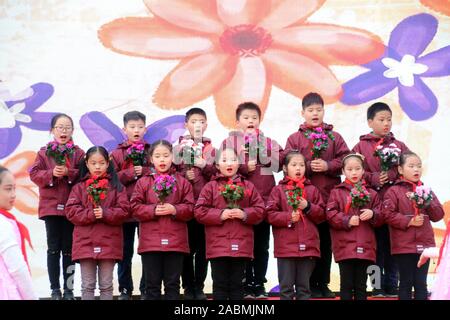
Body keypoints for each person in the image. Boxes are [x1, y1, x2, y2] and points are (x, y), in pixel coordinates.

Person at [284, 92, 350, 298]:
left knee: (326, 242)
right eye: (310, 110)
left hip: (330, 198)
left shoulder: (335, 137)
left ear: (324, 111)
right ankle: (308, 285)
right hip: (305, 199)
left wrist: (328, 165)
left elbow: (347, 161)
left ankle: (323, 283)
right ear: (302, 113)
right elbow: (287, 162)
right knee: (308, 241)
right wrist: (308, 166)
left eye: (318, 110)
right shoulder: (295, 138)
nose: (315, 113)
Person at [221, 102, 283, 299]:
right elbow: (221, 166)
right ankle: (245, 283)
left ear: (259, 120)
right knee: (243, 245)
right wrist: (243, 167)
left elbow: (282, 163)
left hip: (264, 201)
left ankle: (259, 283)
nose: (250, 121)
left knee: (261, 246)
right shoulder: (229, 143)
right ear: (238, 121)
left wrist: (264, 155)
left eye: (254, 118)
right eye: (246, 118)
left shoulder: (268, 142)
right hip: (239, 203)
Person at [352, 102, 410, 297]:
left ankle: (392, 285)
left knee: (394, 247)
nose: (386, 123)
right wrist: (374, 178)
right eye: (381, 119)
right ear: (370, 122)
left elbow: (409, 168)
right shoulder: (360, 146)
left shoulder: (399, 146)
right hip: (371, 205)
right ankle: (376, 286)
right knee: (373, 248)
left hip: (395, 206)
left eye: (389, 119)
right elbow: (353, 171)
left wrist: (393, 175)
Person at [194, 147, 265, 300]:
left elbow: (260, 210)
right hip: (217, 246)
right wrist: (220, 214)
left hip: (241, 245)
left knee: (237, 285)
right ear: (217, 165)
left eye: (233, 159)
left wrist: (245, 214)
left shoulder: (248, 186)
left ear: (239, 163)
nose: (229, 163)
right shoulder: (210, 186)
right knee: (219, 285)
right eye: (224, 160)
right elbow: (199, 211)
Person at [29, 113, 85, 300]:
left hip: (72, 207)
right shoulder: (44, 152)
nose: (64, 131)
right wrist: (51, 173)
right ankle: (55, 289)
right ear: (52, 130)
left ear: (72, 130)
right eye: (60, 127)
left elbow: (85, 176)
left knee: (69, 249)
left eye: (67, 127)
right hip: (50, 208)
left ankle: (68, 290)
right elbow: (34, 174)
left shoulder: (78, 153)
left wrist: (69, 173)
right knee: (53, 248)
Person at [131, 140, 194, 300]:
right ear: (151, 159)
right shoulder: (143, 182)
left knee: (173, 284)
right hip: (150, 243)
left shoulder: (182, 182)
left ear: (172, 157)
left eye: (166, 155)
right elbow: (134, 208)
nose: (162, 160)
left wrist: (175, 209)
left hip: (175, 242)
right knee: (152, 285)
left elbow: (191, 209)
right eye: (157, 156)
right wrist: (153, 210)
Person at [66, 146, 129, 300]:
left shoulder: (117, 187)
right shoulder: (79, 187)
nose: (97, 167)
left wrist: (106, 213)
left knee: (106, 286)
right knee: (87, 286)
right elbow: (71, 211)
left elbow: (125, 211)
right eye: (93, 163)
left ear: (108, 163)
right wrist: (91, 213)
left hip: (109, 242)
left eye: (101, 163)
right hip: (85, 242)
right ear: (86, 163)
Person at [383, 152, 444, 300]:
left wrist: (428, 202)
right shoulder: (394, 191)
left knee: (421, 284)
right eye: (411, 166)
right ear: (401, 170)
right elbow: (387, 214)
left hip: (425, 245)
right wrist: (408, 221)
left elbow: (438, 216)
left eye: (419, 166)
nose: (416, 169)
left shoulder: (426, 190)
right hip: (403, 245)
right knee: (405, 282)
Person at [266, 151, 326, 300]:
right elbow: (270, 214)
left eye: (301, 165)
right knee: (286, 289)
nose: (298, 168)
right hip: (286, 248)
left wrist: (308, 206)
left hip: (308, 246)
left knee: (304, 289)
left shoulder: (312, 190)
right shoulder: (278, 190)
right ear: (285, 168)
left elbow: (322, 215)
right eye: (294, 165)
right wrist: (288, 217)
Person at [326, 153, 383, 300]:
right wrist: (347, 220)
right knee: (346, 285)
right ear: (343, 172)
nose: (354, 172)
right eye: (350, 169)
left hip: (366, 245)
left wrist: (373, 213)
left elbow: (382, 214)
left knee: (361, 286)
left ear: (363, 170)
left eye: (357, 168)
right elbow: (330, 215)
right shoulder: (336, 192)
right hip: (344, 246)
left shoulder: (371, 193)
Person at [174, 107, 216, 300]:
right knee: (186, 249)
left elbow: (218, 174)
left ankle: (199, 286)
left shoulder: (212, 149)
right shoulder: (177, 148)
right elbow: (169, 175)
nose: (197, 125)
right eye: (193, 121)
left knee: (203, 250)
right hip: (185, 206)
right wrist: (185, 174)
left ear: (206, 125)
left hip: (206, 206)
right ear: (186, 125)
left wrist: (204, 165)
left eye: (201, 121)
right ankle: (188, 287)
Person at [110, 110, 149, 300]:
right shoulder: (117, 154)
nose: (136, 130)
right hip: (124, 211)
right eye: (132, 127)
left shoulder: (151, 151)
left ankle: (146, 288)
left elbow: (163, 171)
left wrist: (146, 170)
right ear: (123, 129)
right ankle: (125, 289)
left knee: (147, 251)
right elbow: (110, 179)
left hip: (146, 210)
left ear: (145, 129)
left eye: (140, 127)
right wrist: (131, 172)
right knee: (124, 252)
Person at [0, 166, 37, 300]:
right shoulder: (3, 224)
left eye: (14, 188)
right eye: (8, 189)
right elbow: (17, 269)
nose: (13, 194)